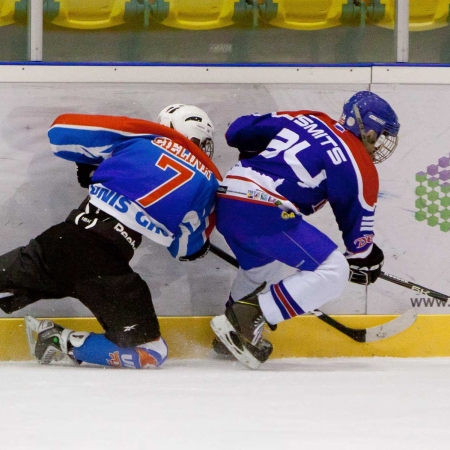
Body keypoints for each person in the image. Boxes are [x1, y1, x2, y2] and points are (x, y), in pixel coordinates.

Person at [0, 104, 220, 369]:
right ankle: (58, 340)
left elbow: (60, 133)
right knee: (150, 352)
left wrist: (96, 161)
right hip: (104, 267)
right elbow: (185, 249)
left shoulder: (140, 141)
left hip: (60, 242)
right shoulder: (207, 182)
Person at [210, 91, 400, 369]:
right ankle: (249, 316)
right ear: (368, 130)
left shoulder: (309, 118)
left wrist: (255, 151)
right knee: (334, 271)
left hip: (227, 199)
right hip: (263, 208)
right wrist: (366, 259)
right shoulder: (359, 165)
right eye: (381, 134)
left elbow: (237, 130)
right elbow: (359, 246)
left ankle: (234, 333)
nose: (380, 143)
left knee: (259, 270)